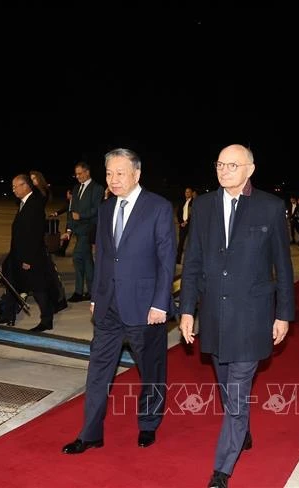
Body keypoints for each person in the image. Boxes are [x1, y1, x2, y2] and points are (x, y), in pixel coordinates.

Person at [179, 144, 295, 488]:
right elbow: (193, 263)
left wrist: (284, 314)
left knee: (237, 392)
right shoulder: (202, 206)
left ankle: (222, 468)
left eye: (233, 164)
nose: (224, 169)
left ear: (250, 169)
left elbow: (283, 266)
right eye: (220, 164)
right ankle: (241, 426)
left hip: (252, 316)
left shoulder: (270, 208)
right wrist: (187, 311)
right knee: (228, 388)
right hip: (214, 315)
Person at [62, 148, 176, 454]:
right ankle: (90, 433)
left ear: (136, 174)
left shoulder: (159, 207)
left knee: (151, 369)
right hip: (109, 305)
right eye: (109, 173)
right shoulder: (105, 208)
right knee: (98, 369)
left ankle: (149, 423)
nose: (113, 180)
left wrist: (161, 303)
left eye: (120, 173)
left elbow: (167, 260)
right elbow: (104, 258)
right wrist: (97, 298)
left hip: (144, 307)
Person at [0, 174, 54, 331]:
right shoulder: (24, 202)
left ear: (25, 186)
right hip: (18, 254)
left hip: (30, 257)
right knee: (12, 284)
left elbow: (35, 235)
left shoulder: (35, 204)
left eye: (15, 186)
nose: (13, 190)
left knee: (38, 288)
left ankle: (47, 320)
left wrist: (28, 259)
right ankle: (7, 314)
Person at [60, 162, 104, 302]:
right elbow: (72, 211)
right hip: (78, 231)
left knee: (77, 258)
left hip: (89, 229)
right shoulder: (76, 188)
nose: (77, 176)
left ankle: (79, 292)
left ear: (87, 172)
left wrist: (82, 216)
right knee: (87, 261)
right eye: (76, 174)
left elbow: (97, 209)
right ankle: (92, 291)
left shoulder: (97, 188)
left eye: (80, 173)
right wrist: (68, 230)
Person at [176, 186, 194, 264]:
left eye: (188, 192)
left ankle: (189, 262)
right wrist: (181, 222)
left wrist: (187, 222)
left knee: (190, 244)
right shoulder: (182, 202)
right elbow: (178, 213)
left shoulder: (194, 202)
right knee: (180, 243)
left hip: (190, 226)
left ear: (191, 193)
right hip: (182, 226)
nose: (187, 193)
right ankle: (178, 261)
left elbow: (193, 214)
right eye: (186, 192)